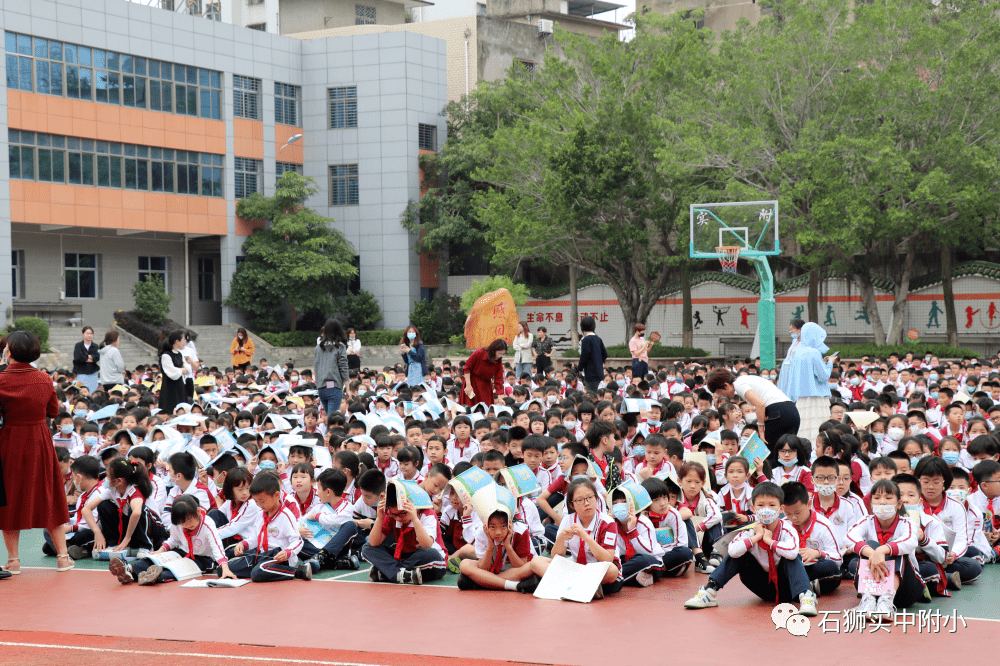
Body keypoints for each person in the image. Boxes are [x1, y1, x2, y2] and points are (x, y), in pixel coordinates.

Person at [0, 331, 73, 576]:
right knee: (49, 494)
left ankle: (13, 560)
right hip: (39, 440)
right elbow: (53, 411)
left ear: (9, 351)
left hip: (10, 440)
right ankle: (63, 557)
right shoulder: (44, 379)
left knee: (9, 497)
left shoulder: (1, 380)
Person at [684, 481, 818, 615]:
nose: (766, 509)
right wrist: (756, 537)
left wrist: (769, 541)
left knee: (790, 557)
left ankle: (806, 597)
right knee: (740, 552)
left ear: (781, 509)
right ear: (753, 508)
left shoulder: (788, 530)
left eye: (772, 505)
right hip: (761, 585)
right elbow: (732, 551)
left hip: (788, 587)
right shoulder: (749, 531)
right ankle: (709, 592)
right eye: (760, 505)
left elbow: (793, 553)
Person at [707, 368, 800, 452]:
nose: (723, 395)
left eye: (720, 392)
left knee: (768, 452)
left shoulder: (738, 384)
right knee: (788, 450)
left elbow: (760, 404)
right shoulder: (745, 379)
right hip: (791, 411)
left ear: (726, 385)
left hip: (778, 412)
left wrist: (761, 429)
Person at [777, 322, 834, 442]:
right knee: (818, 429)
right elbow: (823, 376)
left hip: (802, 399)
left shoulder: (797, 351)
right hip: (816, 398)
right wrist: (830, 363)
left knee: (803, 429)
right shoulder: (814, 352)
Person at [314, 318, 350, 415]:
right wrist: (348, 388)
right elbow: (343, 367)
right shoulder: (340, 346)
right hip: (333, 385)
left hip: (321, 387)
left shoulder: (318, 347)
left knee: (329, 419)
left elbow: (316, 366)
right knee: (332, 421)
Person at [460, 339, 508, 406]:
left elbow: (499, 381)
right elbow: (467, 368)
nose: (500, 356)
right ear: (493, 350)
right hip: (472, 383)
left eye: (502, 354)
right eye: (499, 353)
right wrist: (468, 385)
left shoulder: (498, 363)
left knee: (485, 407)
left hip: (486, 387)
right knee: (470, 407)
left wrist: (500, 398)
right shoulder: (479, 353)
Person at [158, 330, 191, 416]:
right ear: (177, 341)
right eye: (183, 340)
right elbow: (172, 373)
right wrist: (182, 370)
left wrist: (180, 370)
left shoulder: (179, 354)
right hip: (170, 388)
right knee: (170, 412)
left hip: (180, 386)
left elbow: (188, 369)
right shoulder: (166, 355)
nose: (185, 342)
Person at [576, 316, 608, 393]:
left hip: (590, 373)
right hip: (599, 372)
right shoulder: (598, 338)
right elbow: (605, 354)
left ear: (582, 326)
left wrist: (579, 368)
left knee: (592, 394)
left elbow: (584, 356)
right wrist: (600, 363)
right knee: (599, 394)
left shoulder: (586, 339)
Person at [72, 326, 100, 392]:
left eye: (91, 333)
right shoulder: (78, 345)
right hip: (81, 372)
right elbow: (78, 357)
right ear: (83, 334)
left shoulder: (95, 346)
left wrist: (85, 357)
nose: (89, 335)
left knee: (93, 391)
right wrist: (90, 357)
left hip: (93, 372)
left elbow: (97, 357)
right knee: (81, 390)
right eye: (87, 333)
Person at [180, 330, 201, 402]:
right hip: (177, 378)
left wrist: (191, 362)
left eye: (185, 338)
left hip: (188, 379)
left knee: (189, 399)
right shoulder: (172, 350)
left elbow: (196, 368)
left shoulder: (190, 351)